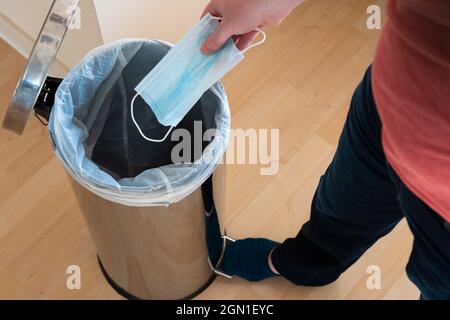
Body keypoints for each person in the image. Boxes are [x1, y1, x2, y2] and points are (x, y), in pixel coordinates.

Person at [201, 0, 450, 300]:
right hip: (392, 96)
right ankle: (304, 265)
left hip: (443, 202)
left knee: (436, 286)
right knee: (339, 207)